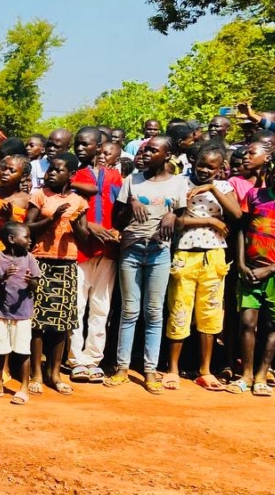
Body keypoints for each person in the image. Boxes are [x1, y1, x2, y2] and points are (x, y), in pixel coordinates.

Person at [107, 136, 188, 393]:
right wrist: (131, 205)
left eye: (154, 150)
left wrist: (172, 215)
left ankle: (150, 370)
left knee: (154, 313)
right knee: (129, 312)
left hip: (159, 252)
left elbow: (184, 222)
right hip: (131, 250)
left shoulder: (178, 183)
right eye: (145, 149)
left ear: (167, 155)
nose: (146, 154)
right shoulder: (132, 180)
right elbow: (117, 222)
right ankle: (122, 367)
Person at [163, 144, 240, 391]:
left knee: (210, 313)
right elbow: (176, 221)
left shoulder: (226, 187)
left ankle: (205, 370)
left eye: (211, 167)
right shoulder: (180, 184)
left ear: (221, 169)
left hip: (215, 256)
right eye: (201, 165)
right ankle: (173, 368)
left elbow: (236, 214)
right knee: (179, 310)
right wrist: (209, 220)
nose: (205, 170)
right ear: (194, 162)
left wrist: (212, 189)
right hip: (185, 254)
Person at [25, 152, 90, 396]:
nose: (51, 173)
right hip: (40, 260)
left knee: (61, 323)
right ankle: (36, 373)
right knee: (38, 322)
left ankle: (54, 373)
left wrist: (75, 224)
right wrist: (51, 219)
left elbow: (83, 240)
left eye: (57, 170)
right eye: (50, 168)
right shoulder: (40, 195)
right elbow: (27, 227)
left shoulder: (79, 201)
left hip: (66, 263)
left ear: (71, 175)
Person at [66, 131, 124, 383]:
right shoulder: (73, 175)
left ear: (98, 147)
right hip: (80, 249)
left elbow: (121, 208)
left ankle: (93, 359)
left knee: (101, 306)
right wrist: (90, 227)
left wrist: (116, 230)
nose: (80, 147)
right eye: (77, 143)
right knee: (76, 306)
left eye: (85, 143)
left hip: (109, 250)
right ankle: (75, 359)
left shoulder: (114, 176)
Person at [232, 151, 275, 396]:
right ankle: (245, 374)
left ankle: (261, 375)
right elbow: (241, 231)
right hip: (250, 271)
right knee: (247, 323)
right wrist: (242, 264)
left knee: (274, 325)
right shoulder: (255, 195)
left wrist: (272, 269)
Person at [0, 221, 41, 405]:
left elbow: (36, 285)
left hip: (22, 312)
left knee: (23, 350)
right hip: (0, 311)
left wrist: (30, 281)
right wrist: (3, 277)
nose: (30, 240)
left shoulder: (30, 258)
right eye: (26, 237)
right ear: (11, 239)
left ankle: (23, 387)